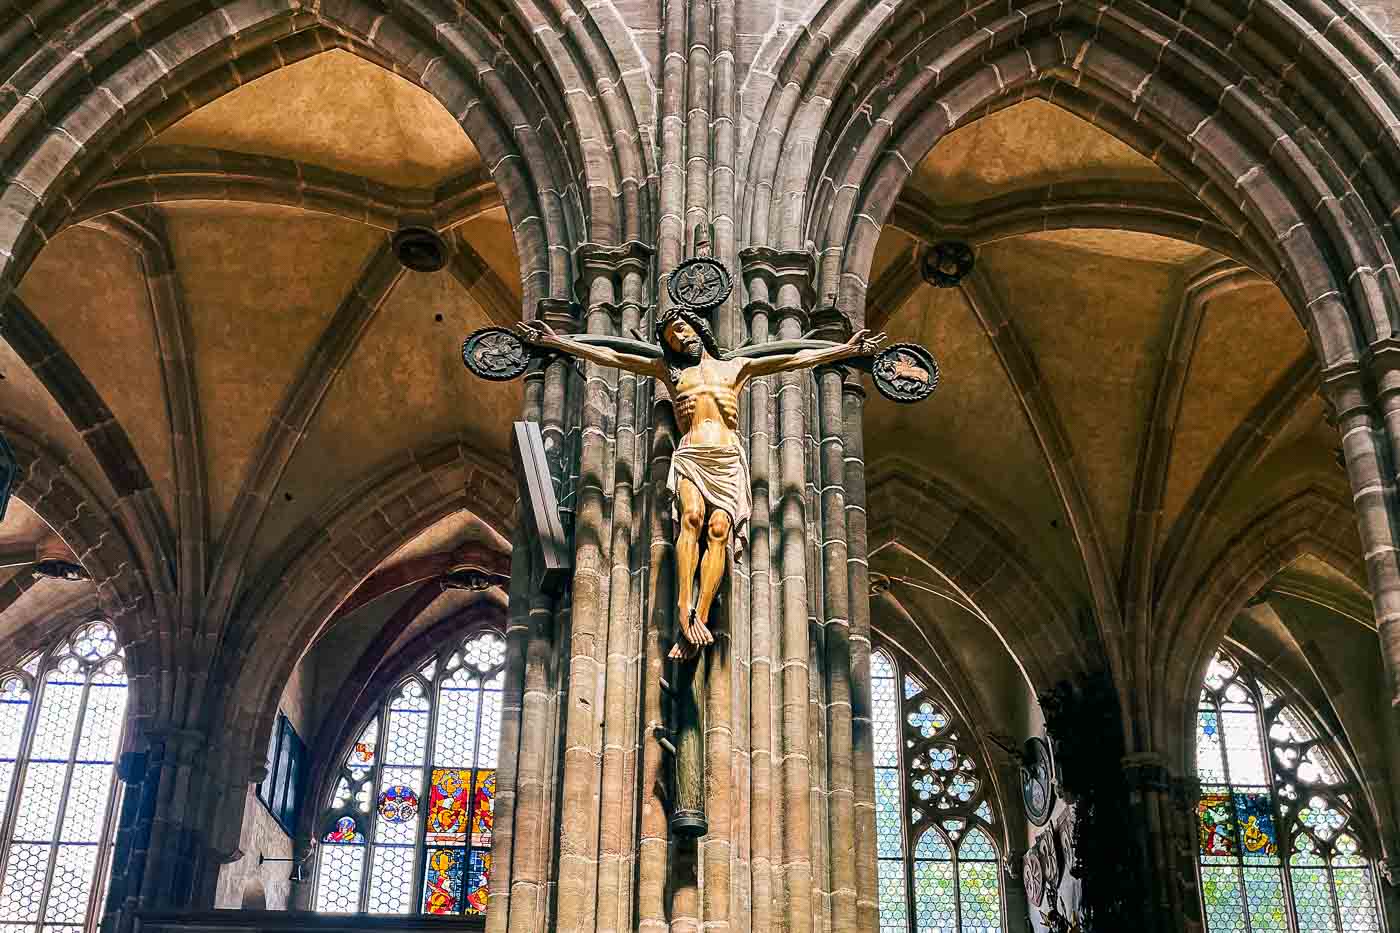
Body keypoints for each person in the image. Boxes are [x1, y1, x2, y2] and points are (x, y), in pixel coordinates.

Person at [517, 311, 884, 657]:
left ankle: (700, 616)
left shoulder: (736, 368)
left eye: (681, 328)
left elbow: (794, 358)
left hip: (727, 457)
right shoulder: (670, 373)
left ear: (697, 327)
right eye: (670, 336)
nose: (678, 337)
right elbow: (612, 355)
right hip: (692, 454)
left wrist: (846, 350)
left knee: (720, 529)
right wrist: (560, 343)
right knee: (690, 517)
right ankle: (682, 605)